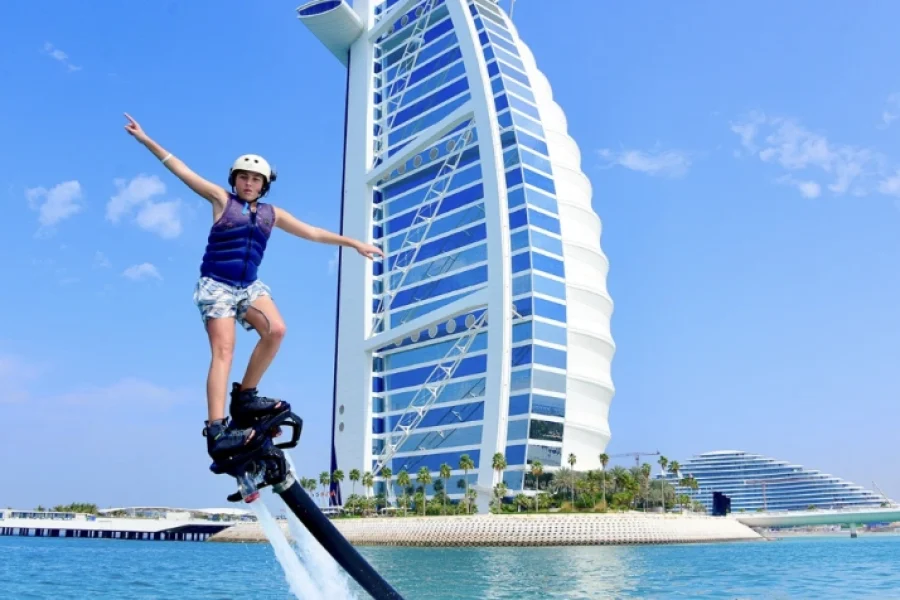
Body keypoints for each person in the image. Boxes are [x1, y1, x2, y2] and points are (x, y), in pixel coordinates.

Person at [122, 112, 383, 463]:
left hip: (248, 287)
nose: (249, 183)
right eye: (243, 177)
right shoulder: (220, 200)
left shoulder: (272, 214)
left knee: (277, 330)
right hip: (217, 285)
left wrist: (353, 243)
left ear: (264, 185)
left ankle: (244, 397)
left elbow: (313, 232)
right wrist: (146, 139)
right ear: (234, 180)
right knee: (224, 352)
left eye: (255, 179)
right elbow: (180, 170)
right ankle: (217, 428)